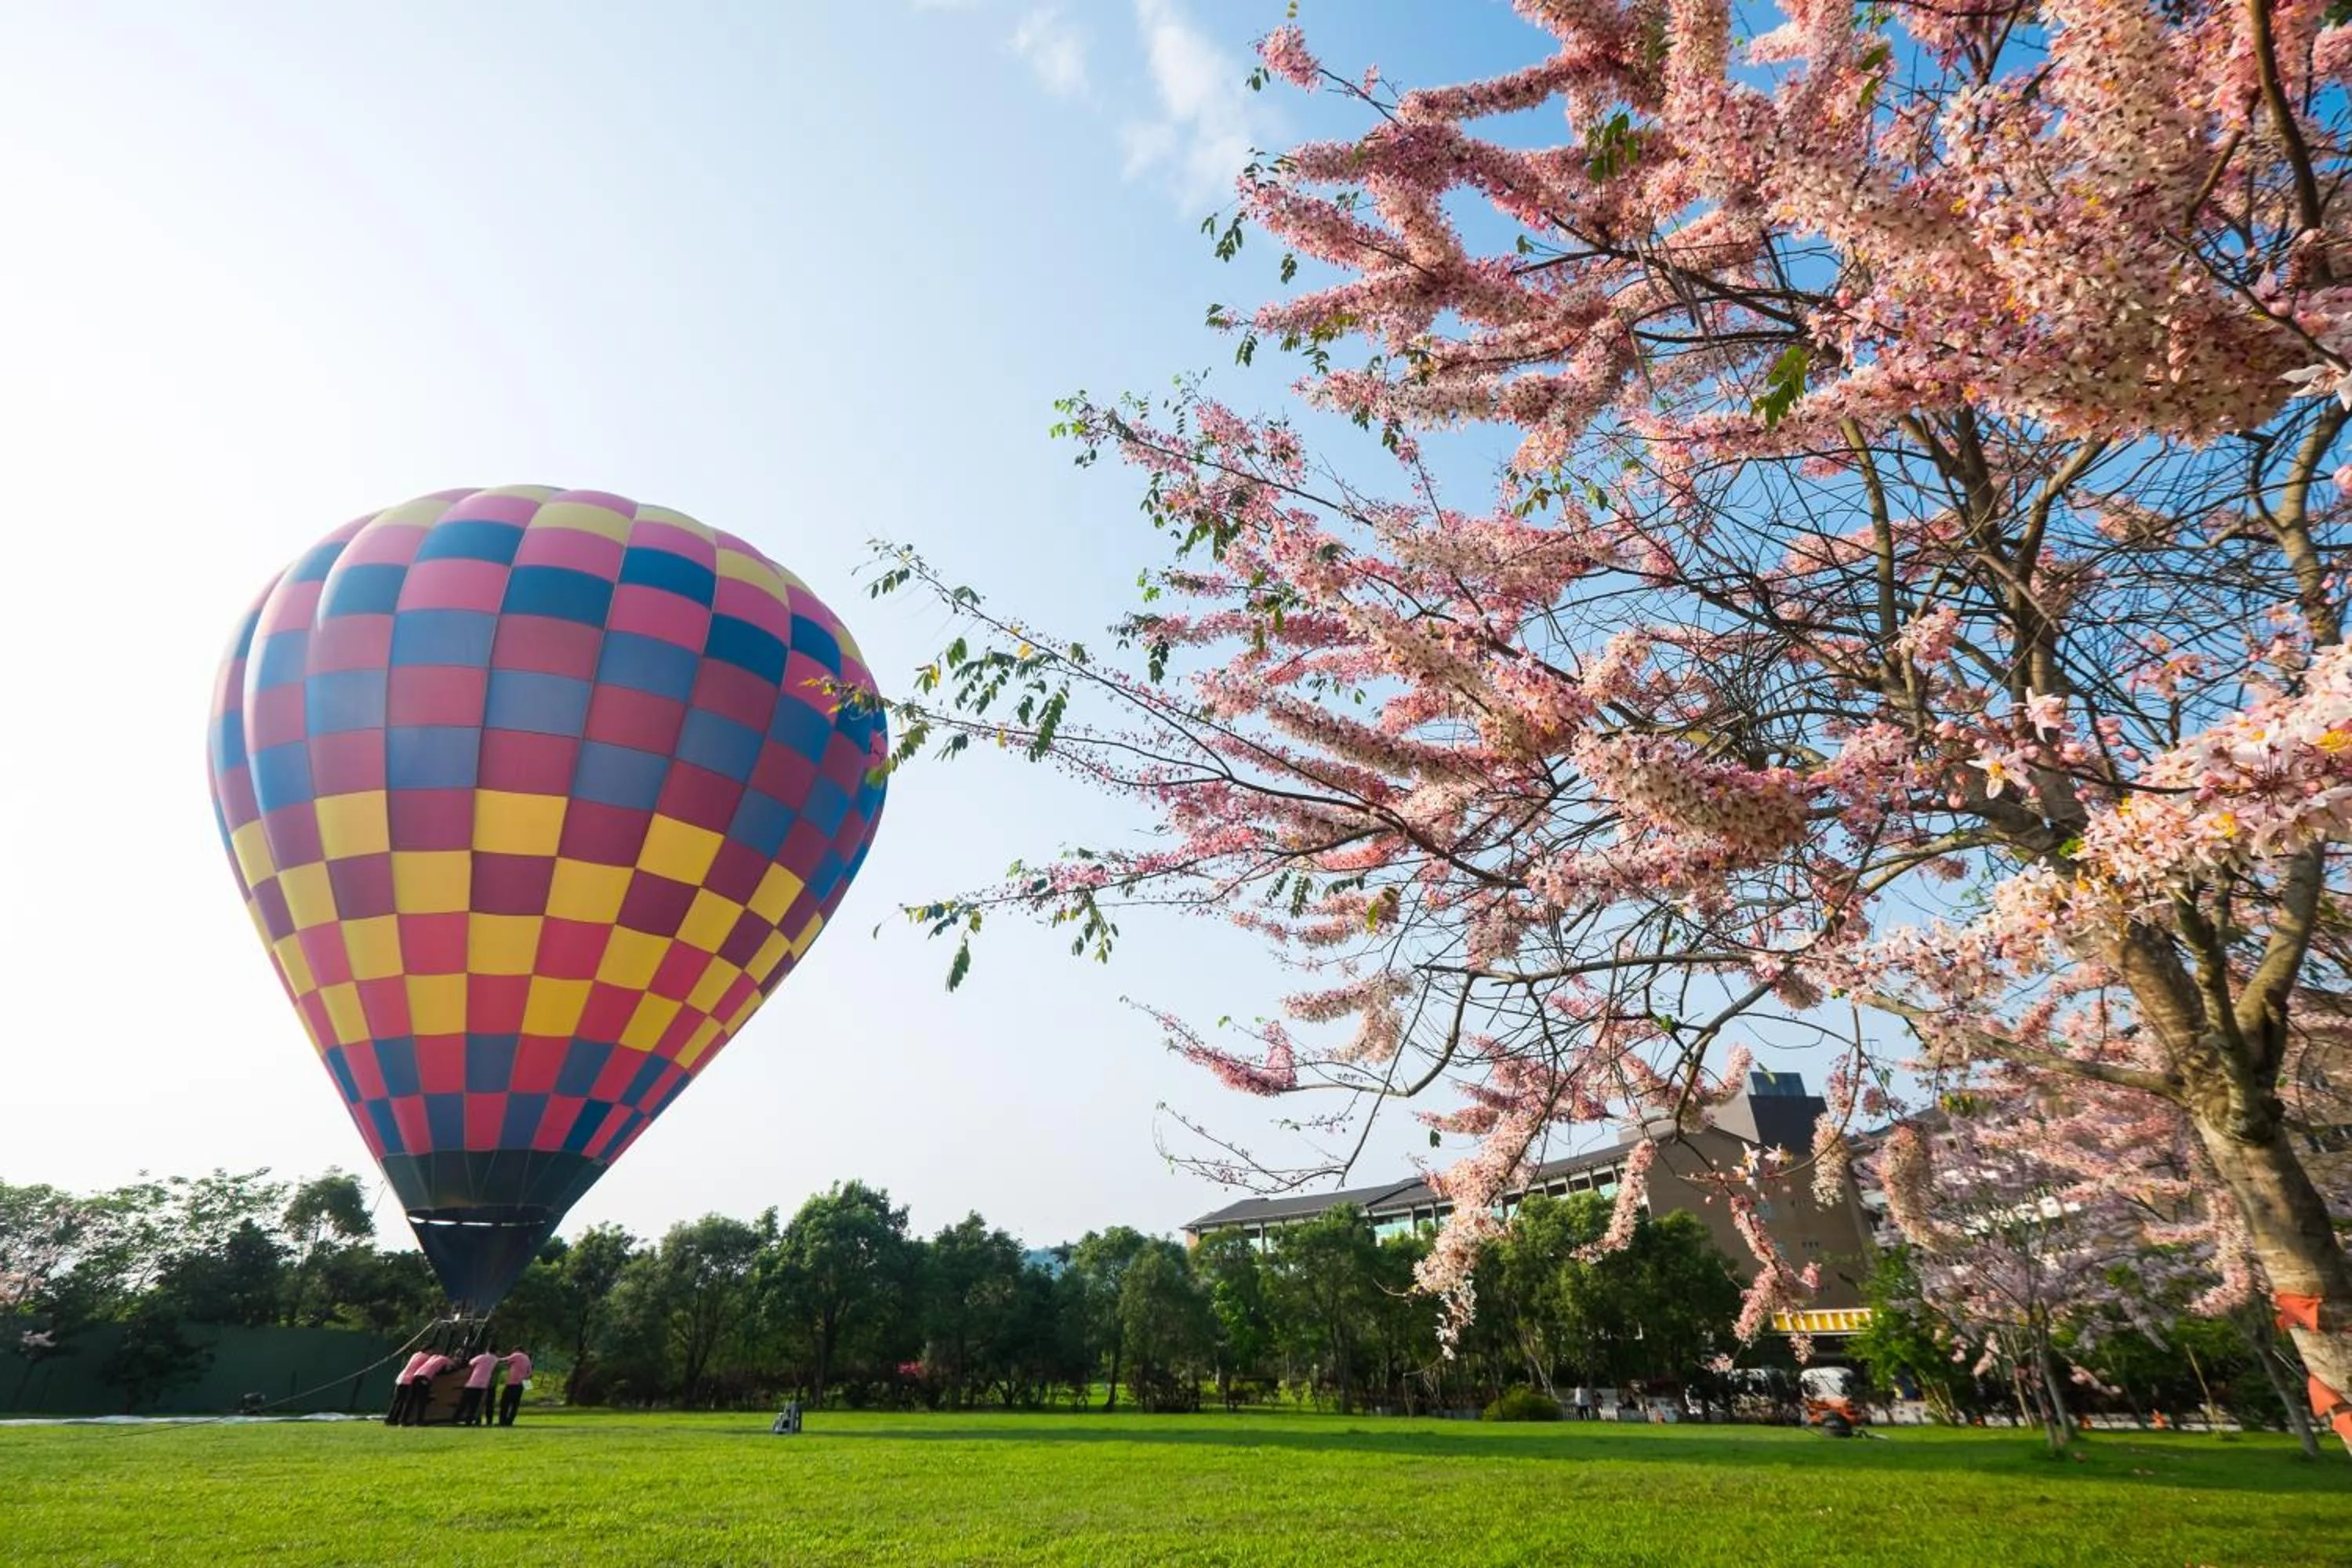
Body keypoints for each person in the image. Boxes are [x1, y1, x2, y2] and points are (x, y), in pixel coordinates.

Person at [401, 1350, 452, 1426]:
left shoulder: (434, 1357)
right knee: (422, 1401)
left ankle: (403, 1421)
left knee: (411, 1400)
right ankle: (419, 1421)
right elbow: (449, 1369)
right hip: (425, 1377)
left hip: (416, 1376)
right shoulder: (447, 1360)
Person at [387, 1350, 431, 1425]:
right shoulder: (426, 1357)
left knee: (397, 1401)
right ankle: (403, 1421)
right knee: (407, 1402)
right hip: (409, 1380)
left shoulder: (416, 1354)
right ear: (429, 1350)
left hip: (400, 1378)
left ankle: (390, 1419)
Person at [457, 1348, 499, 1426]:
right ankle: (469, 1421)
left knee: (464, 1403)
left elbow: (470, 1363)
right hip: (483, 1385)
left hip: (472, 1383)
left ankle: (455, 1419)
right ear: (496, 1351)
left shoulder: (481, 1357)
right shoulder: (495, 1360)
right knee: (475, 1405)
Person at [497, 1347, 532, 1427]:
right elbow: (529, 1372)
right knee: (515, 1404)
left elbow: (505, 1360)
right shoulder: (527, 1358)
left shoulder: (517, 1355)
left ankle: (502, 1421)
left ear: (516, 1350)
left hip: (512, 1383)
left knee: (505, 1402)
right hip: (521, 1384)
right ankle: (510, 1421)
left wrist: (495, 1358)